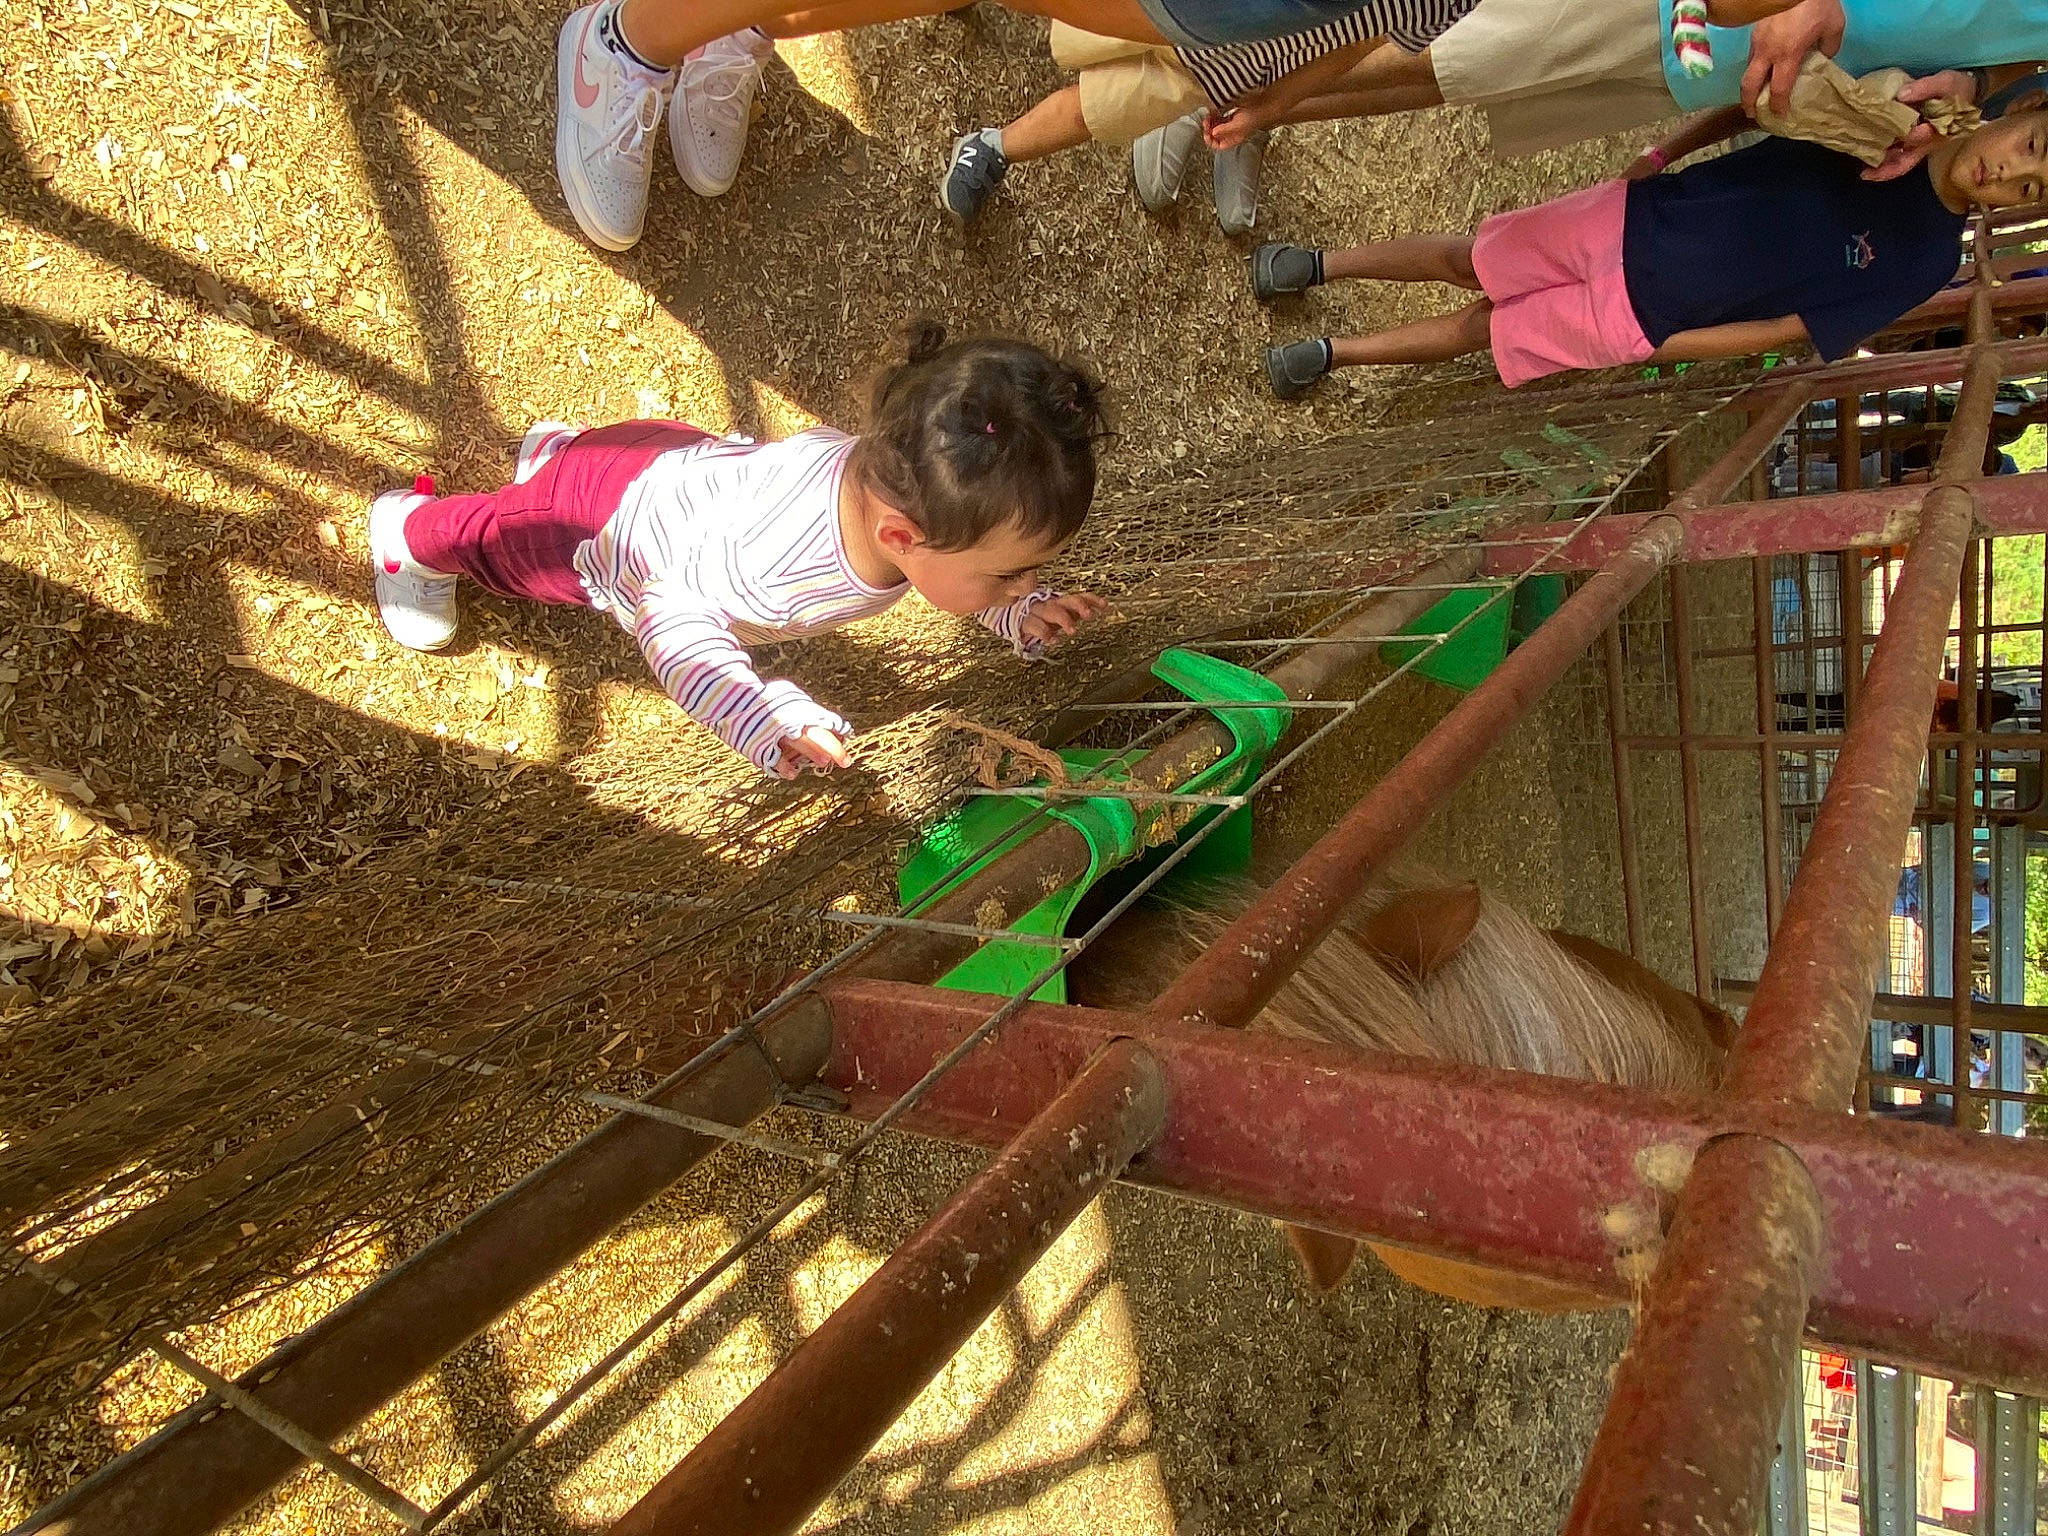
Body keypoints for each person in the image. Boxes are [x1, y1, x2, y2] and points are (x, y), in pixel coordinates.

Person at [367, 324, 1109, 780]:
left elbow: (948, 568)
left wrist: (1014, 610)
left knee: (576, 472)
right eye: (1011, 574)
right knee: (498, 543)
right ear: (902, 539)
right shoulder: (779, 560)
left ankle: (560, 455)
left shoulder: (899, 482)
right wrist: (760, 714)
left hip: (668, 463)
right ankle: (409, 536)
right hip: (599, 527)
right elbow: (670, 620)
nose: (1028, 583)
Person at [1251, 104, 2047, 398]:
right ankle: (1321, 263)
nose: (2011, 171)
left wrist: (1662, 342)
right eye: (2033, 145)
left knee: (1483, 329)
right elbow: (1760, 105)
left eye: (2030, 191)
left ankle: (1333, 351)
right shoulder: (1896, 111)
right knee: (1472, 258)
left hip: (1644, 313)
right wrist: (1663, 155)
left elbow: (1787, 330)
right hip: (1641, 219)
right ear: (2027, 107)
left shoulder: (1926, 260)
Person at [1201, 0, 2045, 184]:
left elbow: (2010, 56)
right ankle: (1204, 77)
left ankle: (1244, 112)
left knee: (1454, 75)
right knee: (1446, 38)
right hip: (1741, 14)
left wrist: (1964, 86)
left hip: (1751, 71)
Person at [935, 1, 1477, 234]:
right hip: (1178, 8)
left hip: (1228, 66)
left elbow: (1353, 47)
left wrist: (1269, 107)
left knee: (1095, 110)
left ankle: (992, 148)